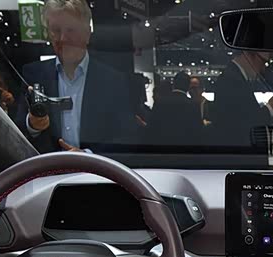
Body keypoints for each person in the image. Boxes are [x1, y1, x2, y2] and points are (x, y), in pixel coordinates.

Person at [17, 0, 134, 152]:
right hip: (47, 166)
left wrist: (88, 156)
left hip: (96, 167)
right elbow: (17, 129)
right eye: (56, 30)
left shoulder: (113, 80)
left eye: (71, 30)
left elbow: (127, 136)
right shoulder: (34, 74)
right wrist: (32, 125)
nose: (63, 38)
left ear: (87, 33)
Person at [211, 51, 273, 152]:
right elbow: (244, 122)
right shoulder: (232, 79)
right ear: (248, 55)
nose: (262, 69)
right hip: (237, 153)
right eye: (262, 62)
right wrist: (271, 107)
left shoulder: (235, 77)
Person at [149, 71, 203, 147]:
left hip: (163, 145)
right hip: (186, 145)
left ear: (174, 84)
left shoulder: (160, 102)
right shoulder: (193, 104)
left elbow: (152, 127)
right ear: (188, 86)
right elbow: (198, 130)